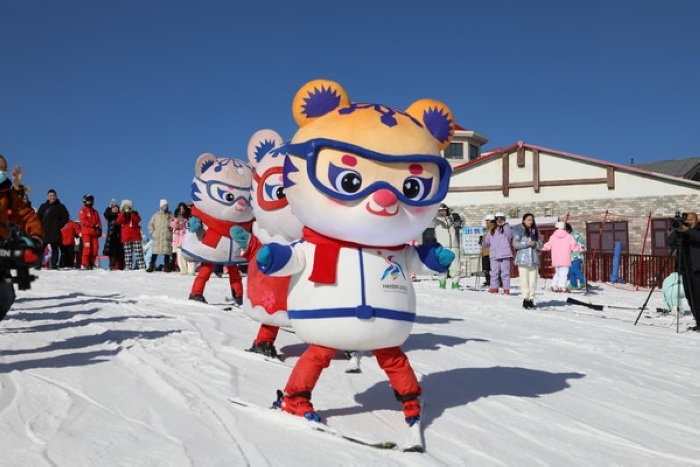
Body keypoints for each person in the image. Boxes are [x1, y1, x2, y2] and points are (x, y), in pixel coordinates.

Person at [0, 154, 43, 321]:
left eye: (3, 169)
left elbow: (27, 216)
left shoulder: (8, 196)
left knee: (6, 297)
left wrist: (36, 236)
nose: (2, 172)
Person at [667, 212, 700, 330]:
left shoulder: (697, 230)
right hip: (686, 270)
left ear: (697, 220)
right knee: (690, 297)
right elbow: (670, 242)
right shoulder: (682, 232)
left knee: (698, 296)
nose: (689, 221)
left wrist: (687, 230)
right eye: (688, 219)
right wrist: (677, 229)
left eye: (692, 219)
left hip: (698, 270)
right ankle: (698, 321)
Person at [512, 213, 543, 309]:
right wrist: (528, 243)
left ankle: (531, 299)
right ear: (524, 220)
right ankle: (525, 299)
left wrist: (536, 245)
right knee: (524, 280)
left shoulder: (535, 231)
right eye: (529, 219)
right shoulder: (518, 230)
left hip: (533, 259)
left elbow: (541, 244)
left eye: (532, 220)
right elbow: (515, 244)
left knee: (533, 281)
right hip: (523, 259)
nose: (531, 221)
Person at [542, 221, 583, 292]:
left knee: (558, 273)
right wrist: (580, 249)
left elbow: (548, 246)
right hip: (565, 259)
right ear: (564, 228)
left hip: (556, 259)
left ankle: (554, 286)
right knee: (563, 273)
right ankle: (562, 287)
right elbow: (574, 246)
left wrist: (541, 247)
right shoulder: (569, 236)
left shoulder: (553, 237)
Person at [36, 189, 69, 269]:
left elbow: (66, 216)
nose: (52, 197)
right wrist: (40, 227)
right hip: (45, 231)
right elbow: (37, 217)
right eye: (50, 195)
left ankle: (54, 266)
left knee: (55, 250)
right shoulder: (43, 206)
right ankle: (37, 265)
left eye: (54, 195)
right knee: (40, 248)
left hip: (55, 231)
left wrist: (60, 225)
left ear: (56, 196)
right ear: (47, 197)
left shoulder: (61, 207)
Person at [482, 212, 512, 294]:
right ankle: (494, 287)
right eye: (498, 219)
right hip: (494, 255)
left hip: (504, 254)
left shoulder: (506, 229)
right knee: (494, 272)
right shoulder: (491, 231)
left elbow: (509, 236)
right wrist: (482, 242)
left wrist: (505, 225)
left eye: (502, 219)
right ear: (495, 220)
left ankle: (506, 289)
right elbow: (487, 243)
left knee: (505, 273)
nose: (500, 221)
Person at [116, 200, 146, 270]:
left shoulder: (134, 213)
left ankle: (142, 266)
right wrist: (123, 213)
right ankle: (128, 266)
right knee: (128, 253)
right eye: (125, 207)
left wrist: (131, 213)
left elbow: (138, 220)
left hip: (136, 236)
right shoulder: (121, 214)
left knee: (139, 252)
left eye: (128, 207)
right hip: (126, 237)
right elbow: (118, 221)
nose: (127, 209)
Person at [147, 199, 174, 272]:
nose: (166, 207)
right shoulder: (155, 215)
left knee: (167, 253)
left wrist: (171, 231)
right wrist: (153, 233)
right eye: (165, 205)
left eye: (167, 205)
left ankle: (166, 267)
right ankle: (151, 266)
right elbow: (150, 225)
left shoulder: (170, 215)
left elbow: (173, 224)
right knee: (155, 252)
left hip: (167, 236)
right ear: (161, 206)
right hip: (157, 237)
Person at [170, 202, 196, 275]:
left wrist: (184, 221)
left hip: (186, 240)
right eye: (180, 209)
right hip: (178, 241)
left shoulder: (188, 219)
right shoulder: (175, 219)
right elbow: (172, 225)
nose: (181, 211)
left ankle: (191, 270)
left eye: (183, 208)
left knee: (189, 255)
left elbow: (188, 228)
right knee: (180, 256)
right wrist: (177, 220)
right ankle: (183, 270)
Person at [78, 194, 102, 270]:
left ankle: (91, 263)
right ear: (85, 201)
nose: (90, 202)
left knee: (95, 249)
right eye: (88, 201)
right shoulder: (82, 210)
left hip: (94, 234)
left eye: (91, 201)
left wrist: (99, 229)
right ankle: (84, 264)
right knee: (87, 249)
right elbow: (84, 221)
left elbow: (98, 221)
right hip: (86, 233)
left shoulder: (95, 212)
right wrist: (93, 225)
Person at [103, 199, 124, 270]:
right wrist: (109, 207)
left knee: (120, 253)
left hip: (120, 237)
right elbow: (106, 214)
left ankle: (120, 266)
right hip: (111, 237)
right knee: (112, 253)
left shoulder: (120, 217)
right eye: (114, 209)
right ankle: (112, 266)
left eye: (116, 209)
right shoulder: (110, 217)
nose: (115, 210)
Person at [565, 223, 587, 291]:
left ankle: (583, 282)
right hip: (570, 257)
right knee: (570, 271)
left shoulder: (576, 235)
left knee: (575, 268)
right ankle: (573, 284)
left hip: (577, 256)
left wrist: (581, 249)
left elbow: (581, 245)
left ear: (568, 230)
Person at [480, 214, 495, 286]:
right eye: (486, 221)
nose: (486, 222)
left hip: (491, 252)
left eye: (488, 221)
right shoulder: (486, 230)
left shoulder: (494, 230)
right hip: (485, 252)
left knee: (491, 268)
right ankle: (487, 280)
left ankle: (492, 281)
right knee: (486, 268)